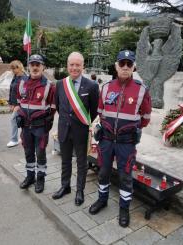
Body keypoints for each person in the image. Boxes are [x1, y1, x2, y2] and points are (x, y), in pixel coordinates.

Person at [89, 50, 152, 228]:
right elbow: (100, 113)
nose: (125, 67)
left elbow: (146, 118)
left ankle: (124, 208)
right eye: (122, 64)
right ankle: (102, 200)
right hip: (106, 140)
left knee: (125, 176)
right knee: (103, 172)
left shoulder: (141, 90)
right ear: (116, 65)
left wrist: (129, 130)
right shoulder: (107, 87)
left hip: (126, 143)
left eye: (129, 64)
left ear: (133, 67)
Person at [52, 52, 99, 206]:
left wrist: (83, 124)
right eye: (71, 65)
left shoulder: (92, 86)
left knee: (81, 162)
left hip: (81, 131)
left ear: (82, 66)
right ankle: (65, 186)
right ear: (67, 66)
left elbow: (94, 111)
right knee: (65, 160)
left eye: (77, 65)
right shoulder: (60, 84)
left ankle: (79, 190)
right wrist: (67, 120)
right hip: (64, 129)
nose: (74, 68)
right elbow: (59, 107)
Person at [17, 54, 56, 193]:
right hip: (25, 127)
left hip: (40, 127)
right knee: (28, 152)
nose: (35, 67)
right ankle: (30, 177)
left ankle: (40, 178)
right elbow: (18, 102)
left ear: (43, 67)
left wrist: (48, 123)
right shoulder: (22, 82)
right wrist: (18, 115)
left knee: (40, 153)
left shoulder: (49, 86)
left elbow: (53, 107)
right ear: (28, 66)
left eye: (37, 65)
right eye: (32, 64)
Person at [7, 60, 27, 148]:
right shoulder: (15, 77)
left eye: (15, 68)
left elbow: (25, 94)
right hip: (15, 103)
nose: (13, 70)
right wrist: (11, 103)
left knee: (13, 119)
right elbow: (12, 90)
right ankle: (24, 137)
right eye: (12, 69)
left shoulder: (24, 78)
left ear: (20, 67)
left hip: (21, 104)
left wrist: (18, 105)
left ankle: (14, 140)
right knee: (21, 120)